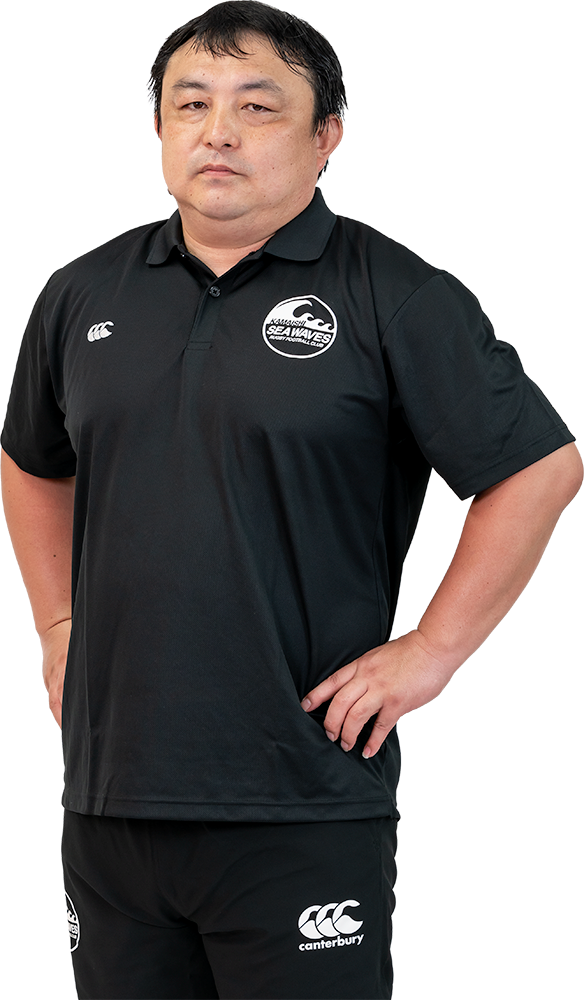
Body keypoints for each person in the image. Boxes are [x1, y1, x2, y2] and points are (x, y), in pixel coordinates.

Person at [1, 3, 581, 998]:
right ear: (160, 128)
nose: (216, 131)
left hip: (303, 795)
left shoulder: (393, 294)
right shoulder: (81, 294)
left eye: (257, 106)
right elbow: (31, 461)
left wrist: (431, 650)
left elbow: (535, 466)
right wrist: (57, 621)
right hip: (111, 795)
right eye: (190, 104)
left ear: (325, 138)